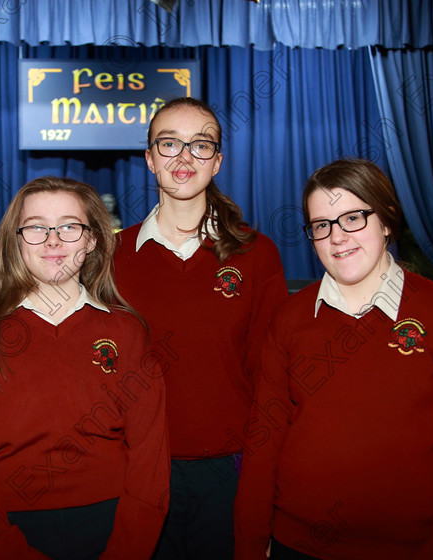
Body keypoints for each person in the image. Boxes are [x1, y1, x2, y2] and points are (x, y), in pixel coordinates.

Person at [233, 158, 433, 560]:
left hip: (414, 548)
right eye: (321, 225)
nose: (337, 237)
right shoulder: (290, 320)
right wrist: (251, 545)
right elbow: (263, 444)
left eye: (353, 218)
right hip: (298, 544)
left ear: (386, 220)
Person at [0, 176, 169, 560]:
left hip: (112, 525)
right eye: (36, 227)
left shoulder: (126, 331)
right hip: (7, 529)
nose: (53, 240)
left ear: (92, 240)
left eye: (68, 226)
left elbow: (151, 456)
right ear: (16, 239)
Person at [113, 97, 289, 559]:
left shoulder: (257, 254)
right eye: (169, 143)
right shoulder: (109, 256)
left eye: (200, 144)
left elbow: (272, 379)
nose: (184, 156)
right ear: (150, 159)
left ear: (218, 161)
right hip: (135, 466)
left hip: (228, 471)